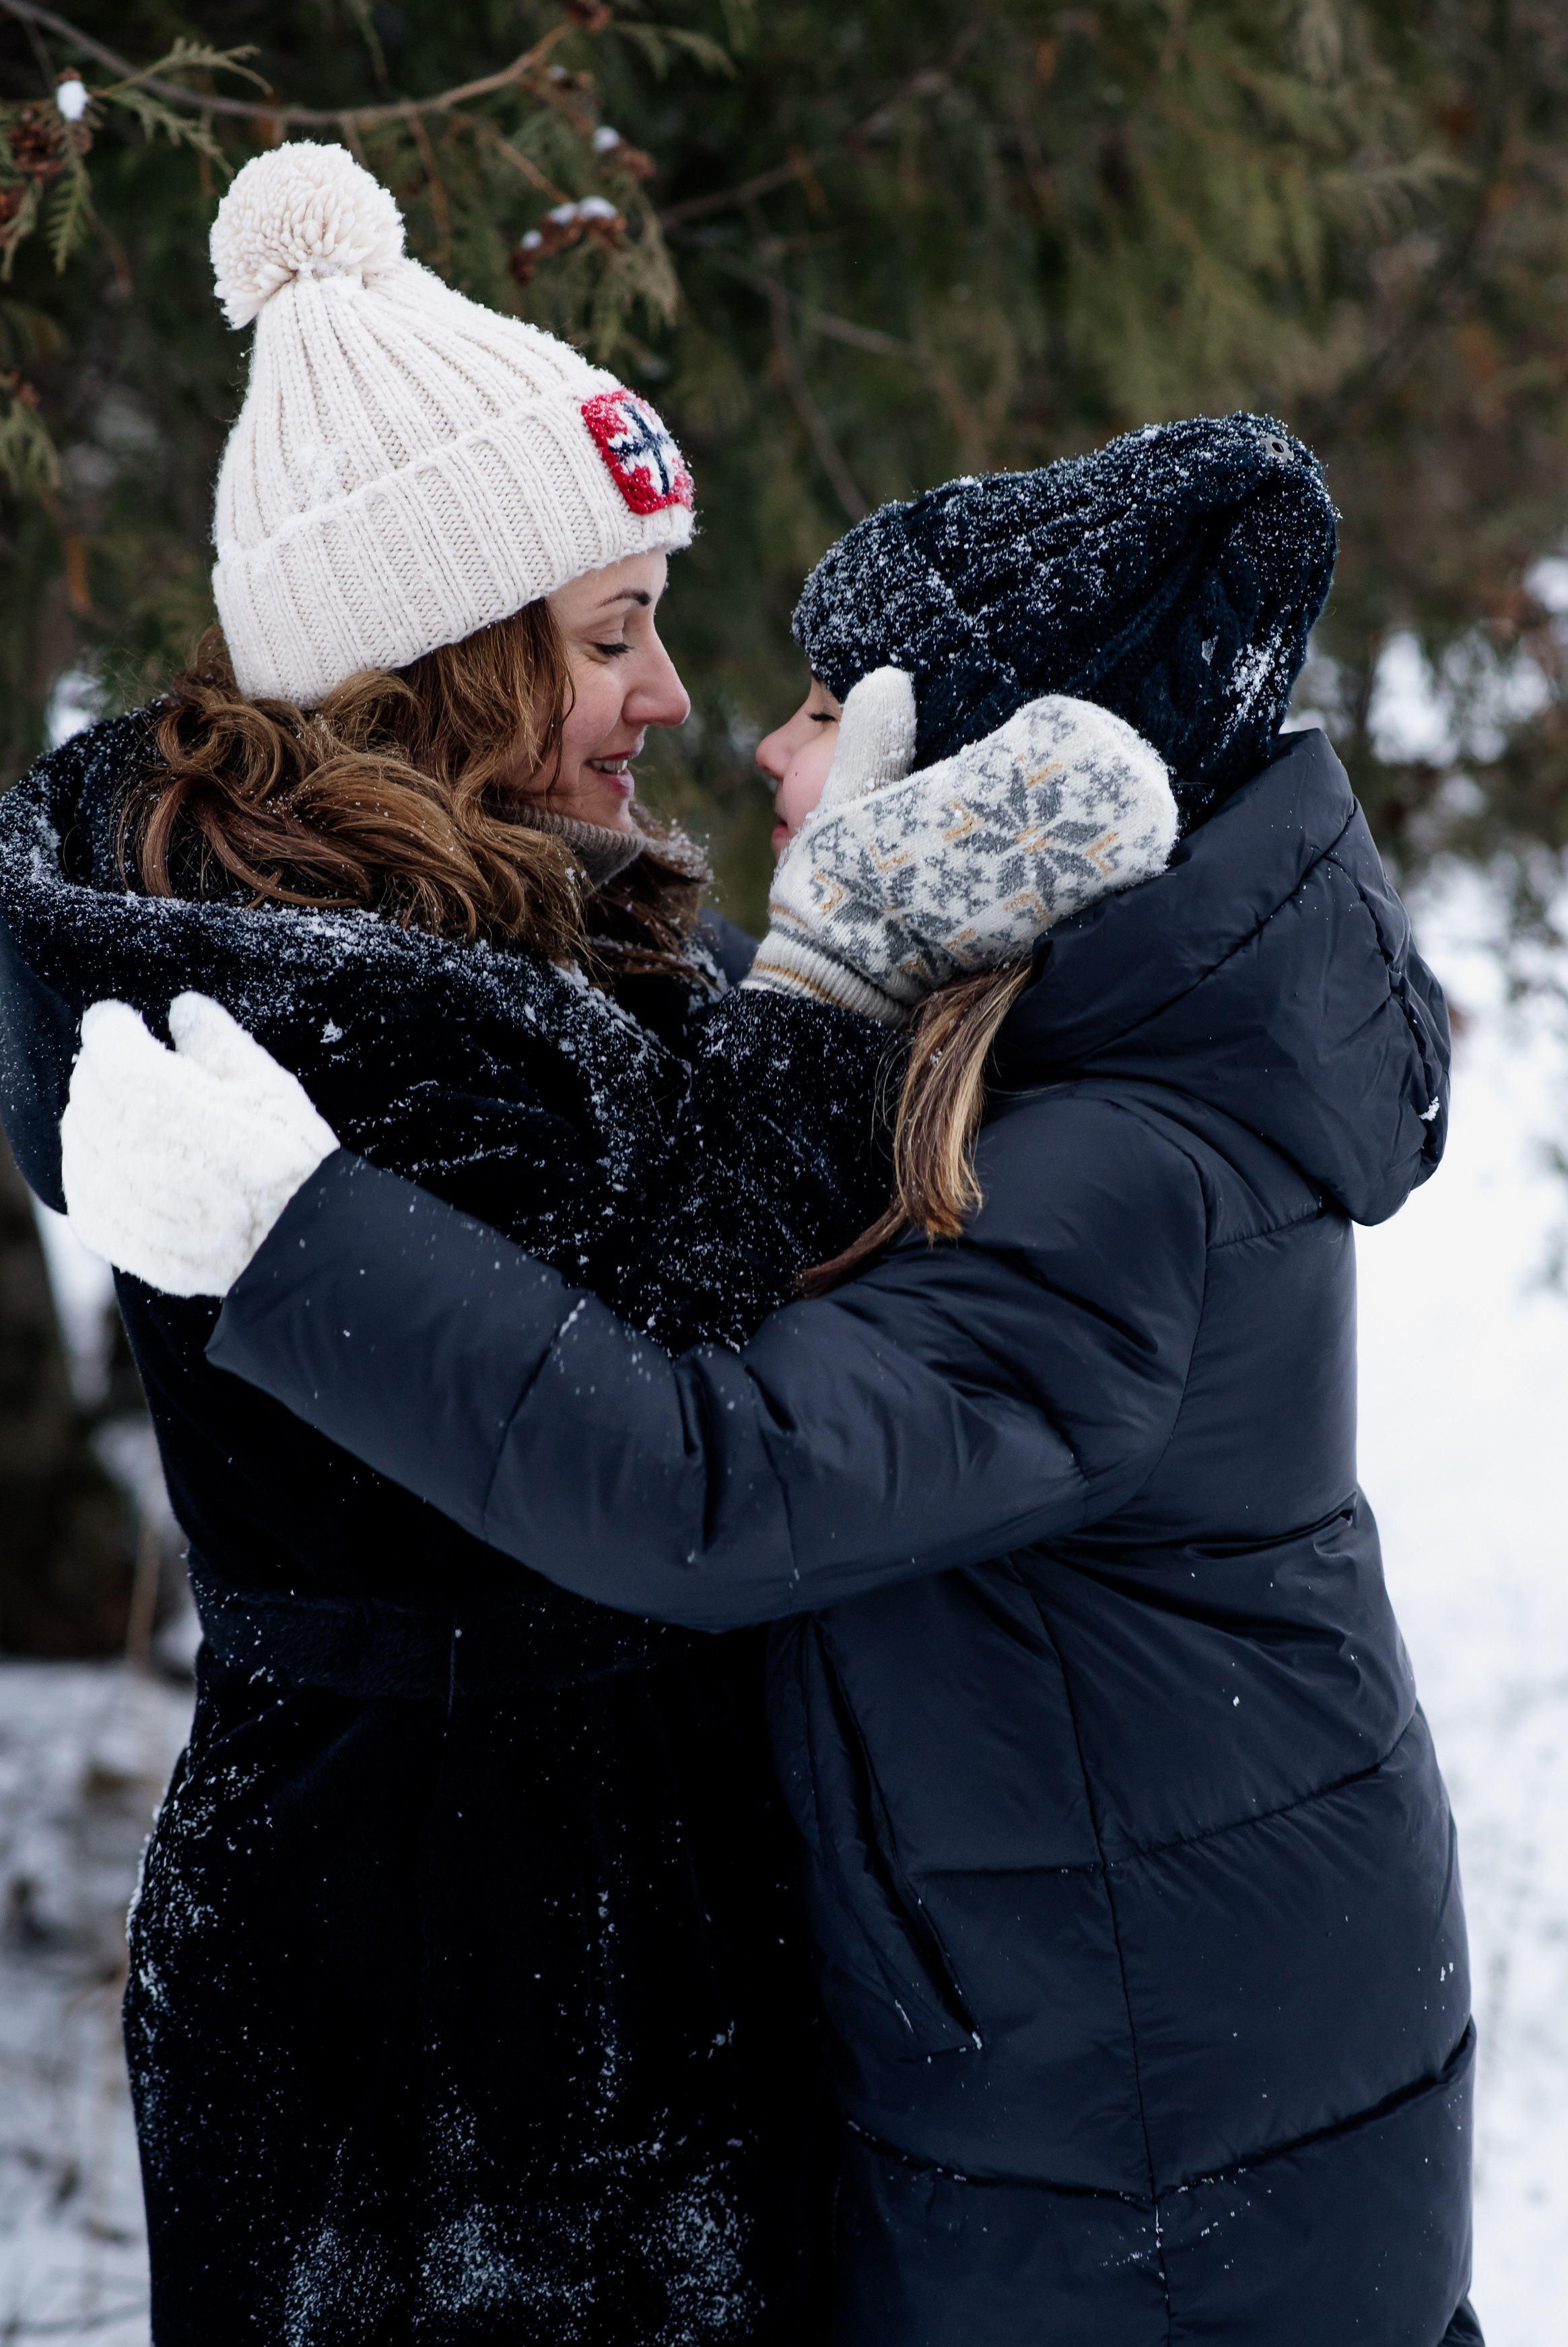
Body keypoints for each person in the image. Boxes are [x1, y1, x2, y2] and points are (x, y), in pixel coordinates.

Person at [59, 415, 1484, 2344]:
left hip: (1143, 2138)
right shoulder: (1042, 1071)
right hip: (1113, 2044)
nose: (758, 739)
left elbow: (708, 1478)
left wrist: (294, 1234)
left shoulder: (1100, 1167)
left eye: (832, 708)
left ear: (995, 796)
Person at [0, 145, 1177, 2345]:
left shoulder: (510, 932)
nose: (666, 701)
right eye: (611, 634)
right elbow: (671, 1374)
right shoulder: (328, 1010)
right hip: (447, 2014)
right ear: (444, 667)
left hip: (548, 1936)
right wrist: (840, 983)